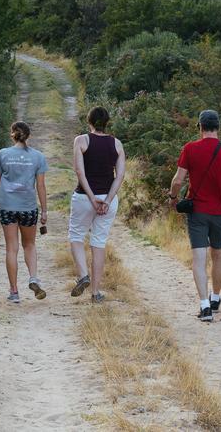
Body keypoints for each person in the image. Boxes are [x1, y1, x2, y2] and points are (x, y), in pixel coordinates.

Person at [168, 109, 221, 322]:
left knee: (199, 257)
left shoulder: (190, 149)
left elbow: (178, 180)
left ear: (200, 127)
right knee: (219, 254)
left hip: (197, 212)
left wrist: (172, 198)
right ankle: (215, 298)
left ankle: (204, 306)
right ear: (218, 128)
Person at [67, 106, 125, 303]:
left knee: (76, 236)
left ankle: (83, 275)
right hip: (108, 200)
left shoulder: (81, 141)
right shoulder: (117, 144)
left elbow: (80, 172)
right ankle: (95, 293)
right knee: (98, 243)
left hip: (85, 198)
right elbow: (120, 176)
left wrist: (92, 198)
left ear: (88, 121)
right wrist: (107, 200)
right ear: (107, 122)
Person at [0, 121, 49, 303]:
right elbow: (40, 185)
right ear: (28, 136)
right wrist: (44, 210)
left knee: (11, 248)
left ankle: (14, 292)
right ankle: (33, 278)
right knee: (29, 245)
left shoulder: (3, 154)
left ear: (12, 134)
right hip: (28, 207)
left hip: (7, 206)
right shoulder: (38, 157)